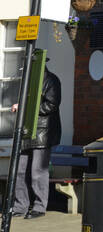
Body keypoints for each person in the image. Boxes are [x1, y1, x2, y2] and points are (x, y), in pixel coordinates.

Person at [11, 68, 62, 219]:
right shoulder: (29, 81)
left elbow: (51, 105)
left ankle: (40, 207)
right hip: (27, 131)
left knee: (37, 171)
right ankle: (20, 206)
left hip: (42, 132)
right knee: (20, 171)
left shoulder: (51, 80)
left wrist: (24, 109)